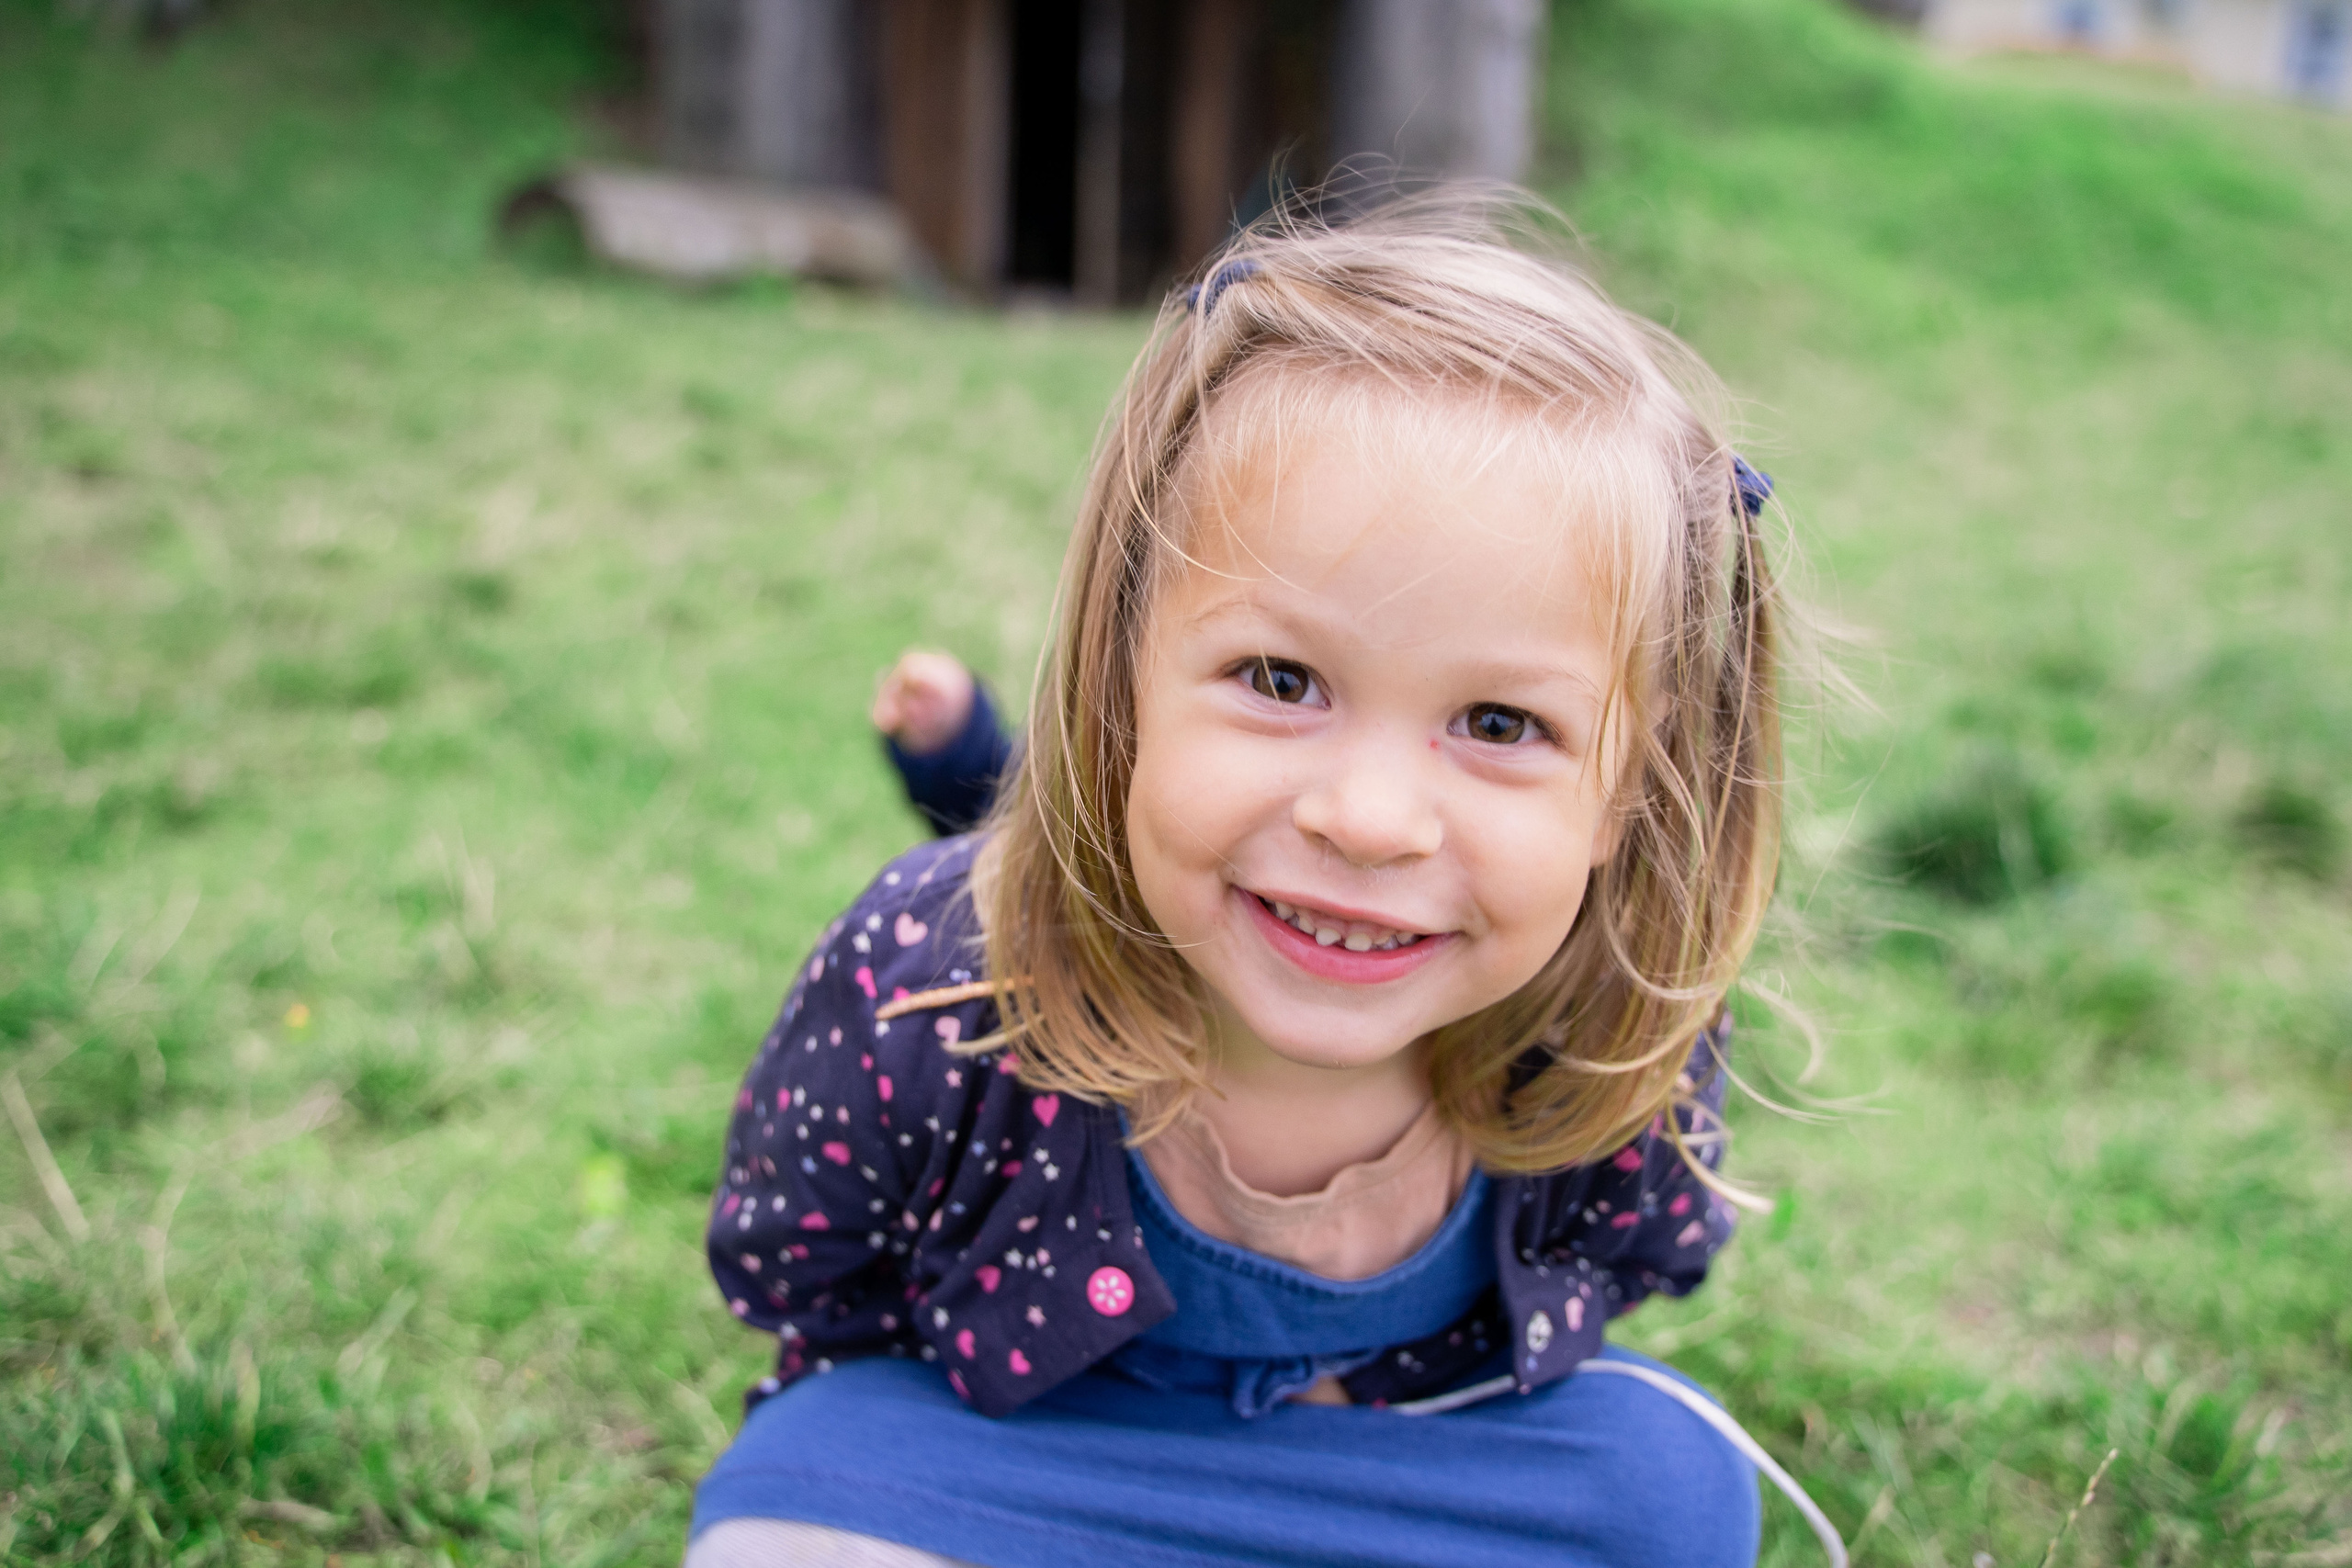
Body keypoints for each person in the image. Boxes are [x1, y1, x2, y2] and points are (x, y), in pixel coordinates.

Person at [690, 198, 1808, 1568]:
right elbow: (799, 1268)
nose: (1371, 821)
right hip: (1024, 1469)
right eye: (1282, 681)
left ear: (1628, 788)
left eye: (1500, 724)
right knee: (797, 1487)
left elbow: (1638, 1256)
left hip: (1381, 1471)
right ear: (1123, 679)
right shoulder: (932, 977)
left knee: (1670, 1484)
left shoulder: (1623, 1026)